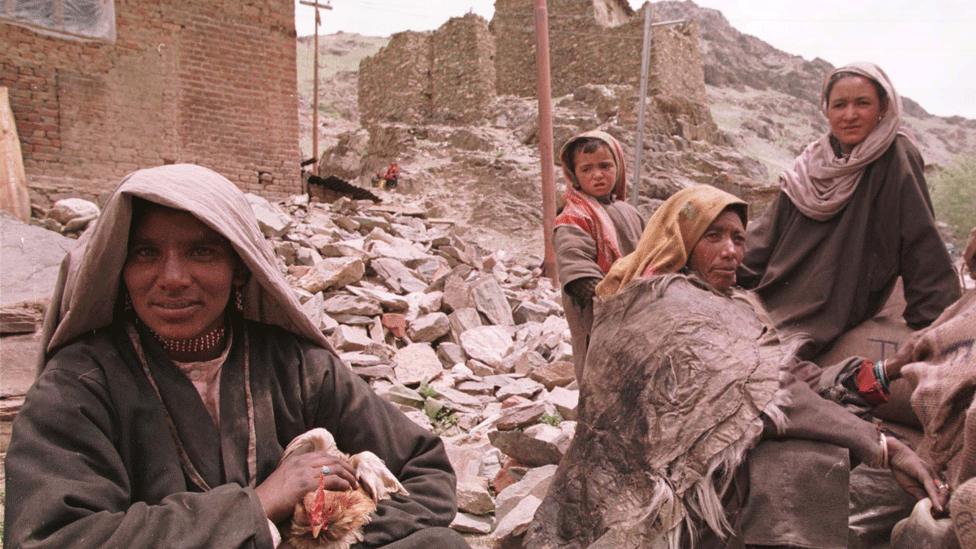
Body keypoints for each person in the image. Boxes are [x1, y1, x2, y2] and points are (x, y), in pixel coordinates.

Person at [3, 165, 467, 548]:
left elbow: (424, 468)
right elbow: (53, 537)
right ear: (120, 271)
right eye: (146, 253)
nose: (172, 277)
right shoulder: (81, 382)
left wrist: (331, 537)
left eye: (201, 251)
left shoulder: (296, 366)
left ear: (240, 270)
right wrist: (259, 505)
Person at [576, 185, 946, 548]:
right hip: (653, 481)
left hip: (701, 454)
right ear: (681, 239)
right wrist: (883, 447)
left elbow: (793, 376)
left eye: (738, 239)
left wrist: (886, 370)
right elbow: (763, 392)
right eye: (713, 236)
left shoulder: (730, 301)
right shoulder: (665, 304)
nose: (730, 251)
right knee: (798, 460)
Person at [738, 62, 961, 360]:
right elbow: (767, 232)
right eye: (840, 105)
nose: (850, 115)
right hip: (774, 289)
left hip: (831, 302)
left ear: (883, 107)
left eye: (862, 103)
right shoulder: (812, 161)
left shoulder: (895, 154)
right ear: (826, 111)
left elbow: (919, 240)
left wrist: (936, 323)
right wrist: (728, 273)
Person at [553, 130, 643, 379]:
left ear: (619, 167)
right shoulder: (573, 218)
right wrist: (614, 296)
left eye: (605, 166)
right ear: (574, 176)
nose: (598, 175)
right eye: (587, 169)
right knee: (600, 380)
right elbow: (577, 271)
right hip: (596, 316)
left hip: (636, 312)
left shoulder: (629, 212)